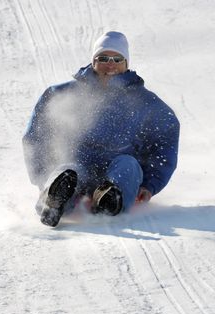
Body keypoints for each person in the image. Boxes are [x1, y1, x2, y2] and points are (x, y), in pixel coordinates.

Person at [22, 31, 180, 227]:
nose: (110, 64)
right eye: (103, 58)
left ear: (126, 63)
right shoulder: (62, 94)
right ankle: (53, 201)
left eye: (117, 58)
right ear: (93, 61)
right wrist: (42, 176)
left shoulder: (145, 103)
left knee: (128, 165)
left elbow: (164, 143)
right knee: (68, 171)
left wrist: (150, 184)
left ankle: (109, 200)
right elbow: (37, 137)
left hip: (118, 168)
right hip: (78, 165)